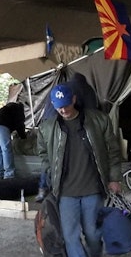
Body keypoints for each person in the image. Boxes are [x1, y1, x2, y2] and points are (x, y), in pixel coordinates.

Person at [36, 83, 122, 257]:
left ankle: (94, 254)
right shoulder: (48, 127)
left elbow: (112, 150)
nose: (63, 110)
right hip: (65, 192)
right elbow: (42, 153)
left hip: (93, 187)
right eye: (58, 106)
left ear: (73, 99)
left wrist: (114, 178)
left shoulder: (97, 120)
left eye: (65, 105)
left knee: (92, 232)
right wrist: (48, 172)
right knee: (70, 235)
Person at [35, 72, 101, 202]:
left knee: (49, 158)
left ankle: (43, 190)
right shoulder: (86, 89)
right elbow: (91, 112)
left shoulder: (61, 87)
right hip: (65, 123)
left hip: (48, 123)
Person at [0, 101, 27, 180]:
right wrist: (23, 137)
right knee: (6, 149)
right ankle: (9, 175)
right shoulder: (18, 110)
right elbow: (20, 124)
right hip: (0, 124)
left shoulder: (5, 110)